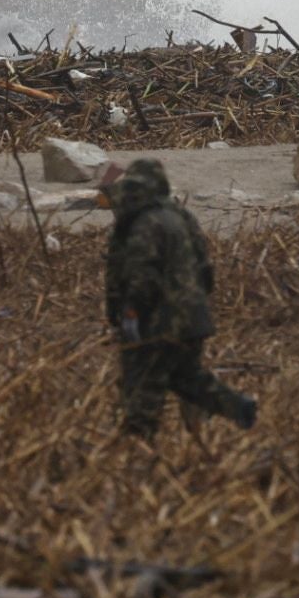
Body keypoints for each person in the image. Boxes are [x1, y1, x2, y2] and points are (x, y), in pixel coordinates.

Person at [102, 158, 257, 438]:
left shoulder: (143, 223)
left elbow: (141, 278)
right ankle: (237, 407)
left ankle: (137, 445)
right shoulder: (183, 218)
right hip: (194, 318)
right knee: (187, 378)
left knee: (142, 386)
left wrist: (131, 317)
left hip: (159, 323)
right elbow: (205, 269)